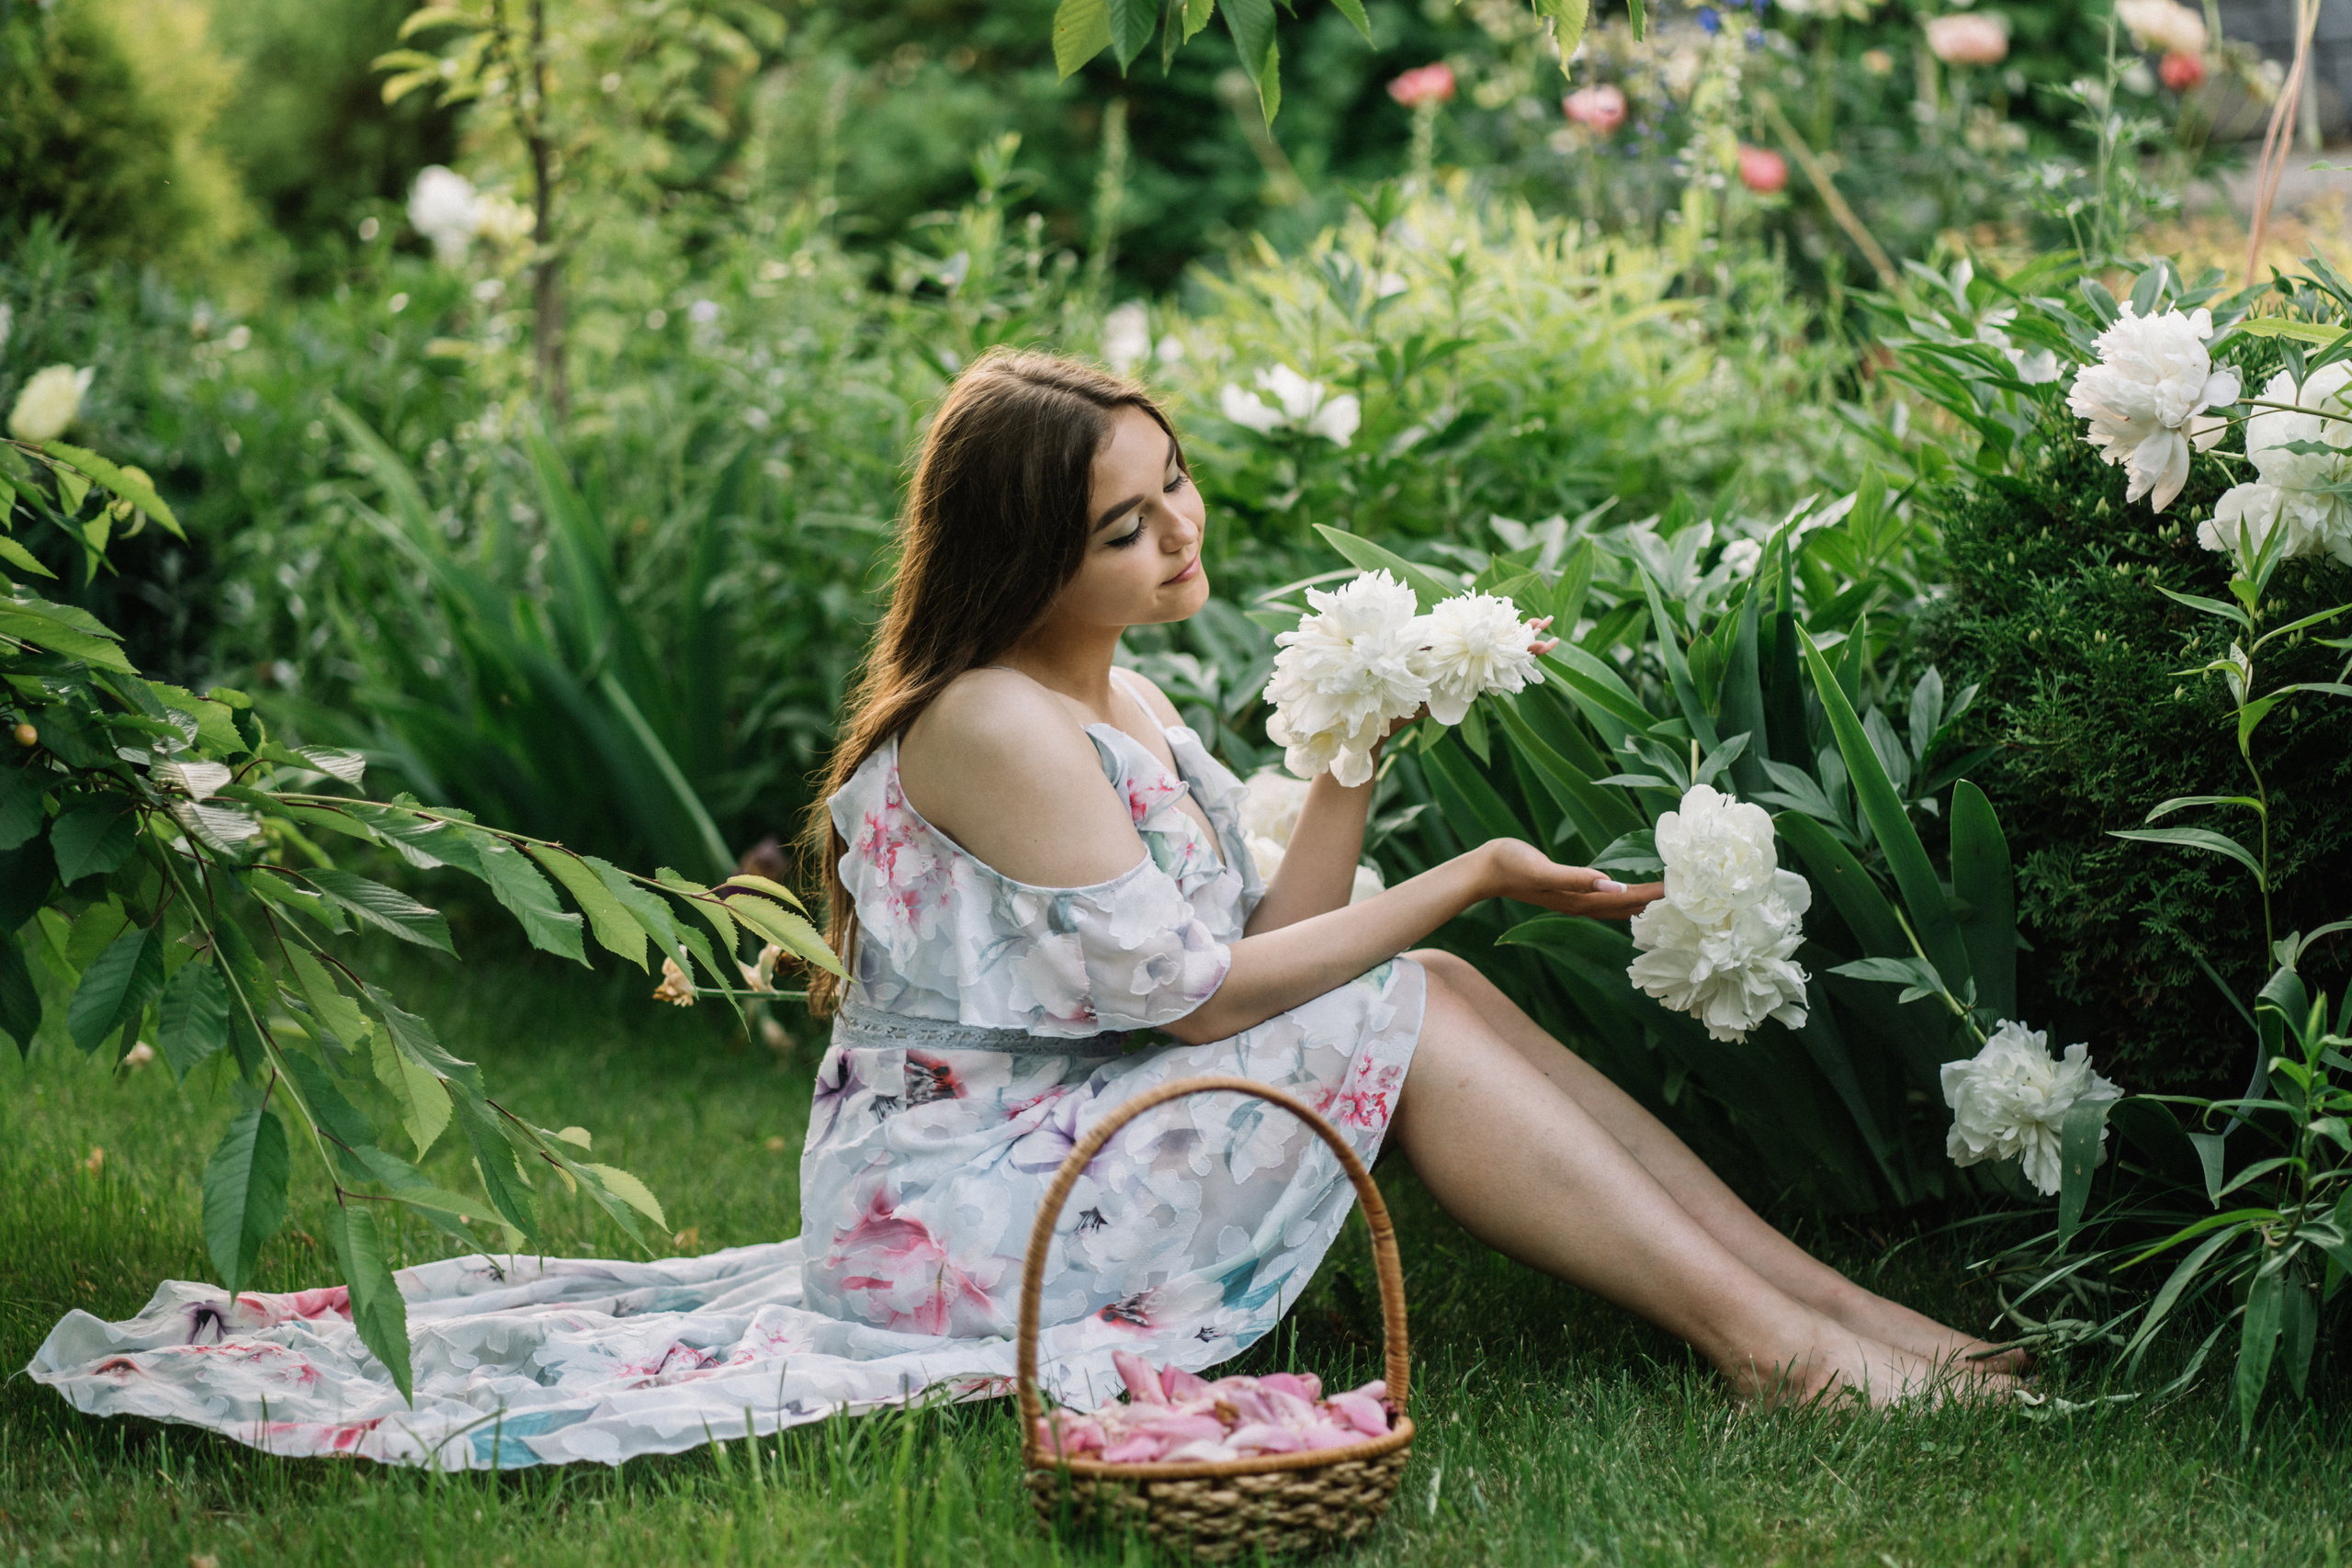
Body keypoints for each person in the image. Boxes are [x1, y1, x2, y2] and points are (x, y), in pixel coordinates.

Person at [28, 351, 2007, 1476]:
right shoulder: (986, 719)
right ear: (1022, 548)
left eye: (1175, 492)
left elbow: (1258, 935)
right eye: (1123, 521)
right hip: (973, 1204)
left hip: (1064, 1124)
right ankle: (1781, 1343)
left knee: (1417, 988)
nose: (1177, 535)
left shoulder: (1112, 690)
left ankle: (1838, 1321)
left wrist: (1352, 761)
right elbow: (1186, 1005)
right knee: (1420, 982)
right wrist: (1467, 875)